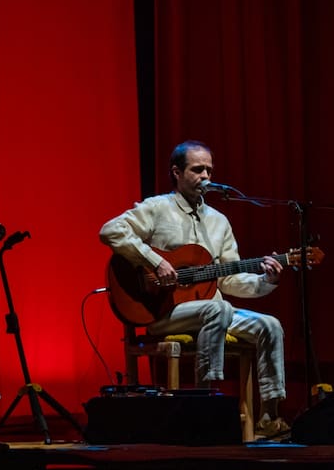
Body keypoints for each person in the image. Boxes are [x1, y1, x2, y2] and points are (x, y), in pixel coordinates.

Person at [99, 139, 291, 438]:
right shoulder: (157, 208)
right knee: (218, 308)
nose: (206, 177)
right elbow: (110, 231)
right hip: (162, 311)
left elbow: (229, 279)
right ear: (176, 172)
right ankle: (207, 399)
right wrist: (154, 260)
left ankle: (271, 415)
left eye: (209, 171)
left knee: (270, 325)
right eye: (197, 169)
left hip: (211, 310)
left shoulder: (219, 222)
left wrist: (267, 281)